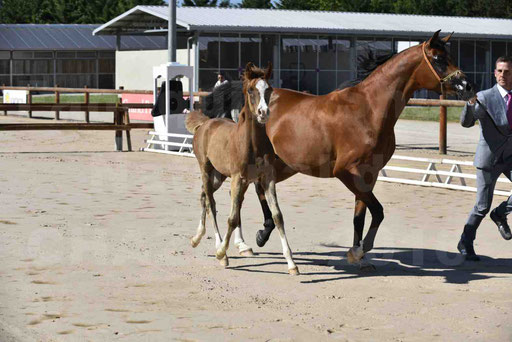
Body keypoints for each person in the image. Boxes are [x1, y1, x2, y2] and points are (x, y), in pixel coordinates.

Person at [458, 56, 512, 261]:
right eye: (499, 71)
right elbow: (466, 122)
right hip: (488, 159)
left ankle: (500, 214)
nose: (502, 75)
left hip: (510, 157)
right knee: (482, 206)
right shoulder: (484, 96)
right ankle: (465, 241)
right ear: (494, 73)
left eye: (507, 71)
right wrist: (470, 103)